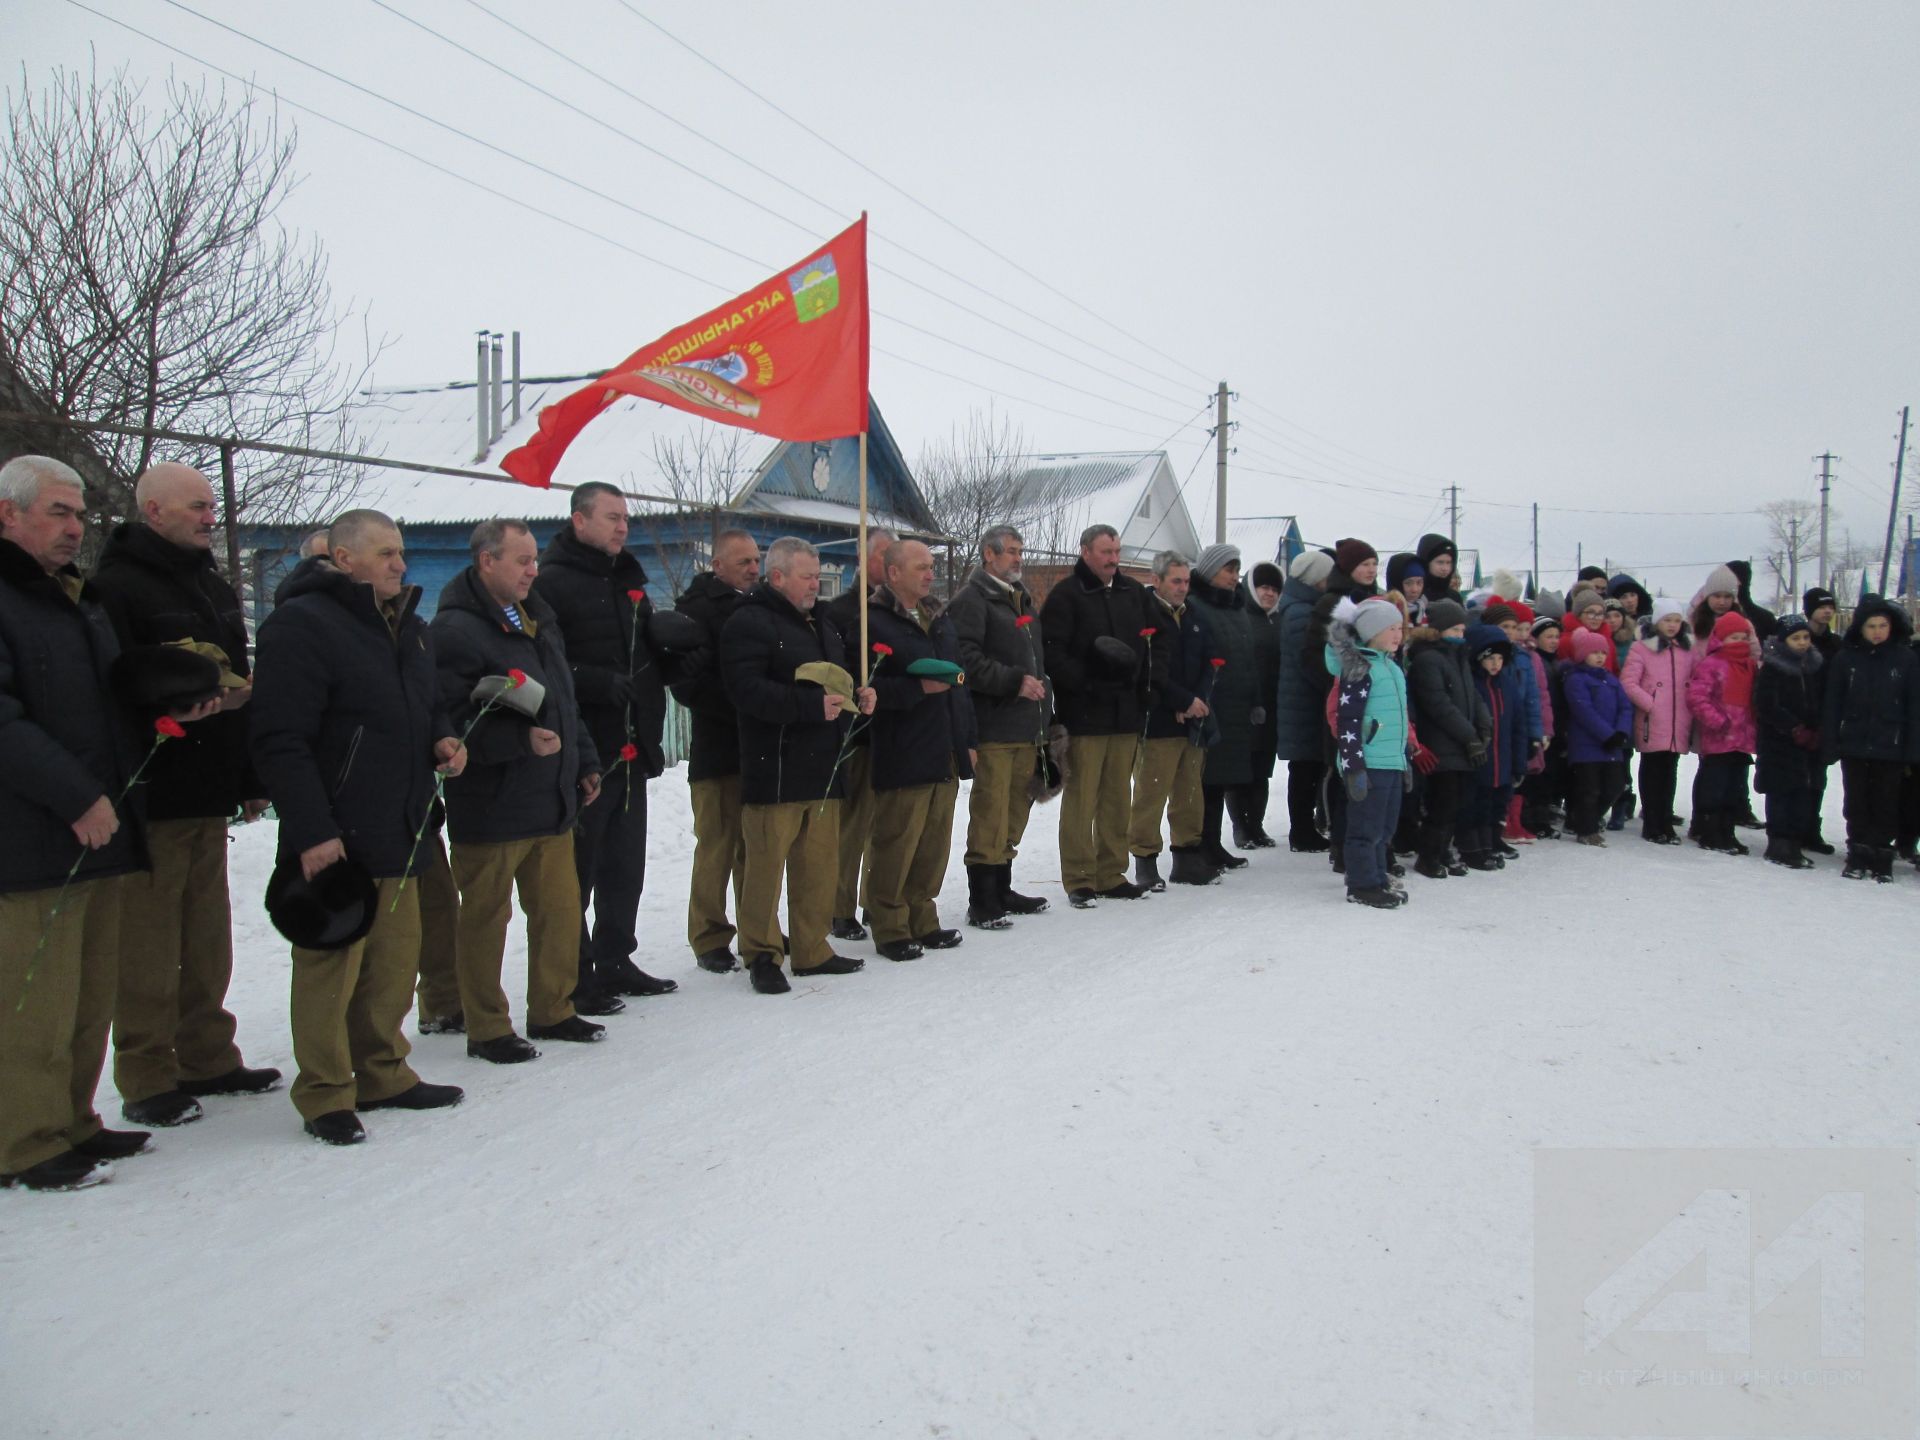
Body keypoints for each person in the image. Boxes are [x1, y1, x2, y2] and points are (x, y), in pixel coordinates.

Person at [251, 509, 467, 1145]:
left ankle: (382, 1072)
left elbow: (430, 706)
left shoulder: (409, 630)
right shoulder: (301, 626)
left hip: (401, 825)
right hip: (336, 833)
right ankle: (324, 1092)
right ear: (343, 559)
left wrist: (444, 739)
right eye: (386, 554)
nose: (401, 564)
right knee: (331, 964)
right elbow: (279, 739)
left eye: (401, 553)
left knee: (392, 966)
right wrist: (314, 831)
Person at [89, 461, 280, 1129]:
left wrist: (249, 775)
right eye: (196, 507)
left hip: (209, 786)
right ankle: (145, 1072)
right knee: (148, 942)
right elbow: (112, 689)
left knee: (207, 936)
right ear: (154, 512)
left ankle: (207, 1055)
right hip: (153, 791)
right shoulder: (117, 588)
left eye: (209, 506)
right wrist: (162, 717)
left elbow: (239, 678)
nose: (209, 517)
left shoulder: (211, 585)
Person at [0, 458, 161, 1189]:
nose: (75, 528)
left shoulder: (76, 599)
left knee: (87, 993)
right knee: (35, 1000)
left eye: (80, 515)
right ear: (9, 513)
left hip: (100, 831)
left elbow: (105, 701)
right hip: (32, 839)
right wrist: (75, 796)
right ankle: (24, 1142)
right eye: (60, 513)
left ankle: (73, 1120)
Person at [434, 519, 605, 1063]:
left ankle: (553, 1008)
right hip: (492, 803)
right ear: (487, 561)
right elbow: (450, 721)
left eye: (534, 560)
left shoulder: (538, 621)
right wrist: (518, 739)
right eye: (522, 560)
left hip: (550, 797)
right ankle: (486, 1026)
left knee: (559, 910)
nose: (534, 570)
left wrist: (585, 760)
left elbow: (563, 700)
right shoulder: (456, 631)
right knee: (486, 919)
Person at [530, 481, 680, 1008]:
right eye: (612, 517)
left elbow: (643, 664)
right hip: (584, 750)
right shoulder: (551, 582)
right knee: (580, 869)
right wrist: (590, 679)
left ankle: (617, 957)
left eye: (625, 519)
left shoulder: (626, 581)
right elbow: (540, 665)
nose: (622, 527)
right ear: (579, 521)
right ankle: (576, 972)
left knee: (624, 865)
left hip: (631, 745)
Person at [720, 537, 875, 993]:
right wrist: (809, 706)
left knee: (818, 866)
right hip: (777, 767)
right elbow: (745, 691)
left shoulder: (822, 622)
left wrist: (859, 694)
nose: (816, 584)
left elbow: (839, 674)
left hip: (824, 766)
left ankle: (812, 947)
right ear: (778, 577)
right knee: (765, 868)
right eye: (808, 577)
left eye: (818, 575)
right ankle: (762, 953)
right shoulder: (748, 623)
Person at [1039, 524, 1167, 908]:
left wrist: (1149, 683)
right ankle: (1079, 878)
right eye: (1105, 552)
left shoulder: (1133, 594)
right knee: (1082, 799)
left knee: (1116, 797)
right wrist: (1087, 683)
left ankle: (1111, 873)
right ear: (1085, 552)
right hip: (1085, 714)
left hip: (1126, 712)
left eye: (1116, 551)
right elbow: (1053, 653)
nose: (1113, 559)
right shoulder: (1066, 596)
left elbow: (1157, 641)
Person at [862, 540, 975, 960]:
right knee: (897, 841)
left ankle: (922, 917)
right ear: (893, 573)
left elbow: (961, 685)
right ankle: (889, 925)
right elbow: (866, 688)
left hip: (944, 743)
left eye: (931, 566)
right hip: (903, 745)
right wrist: (915, 688)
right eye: (920, 567)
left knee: (933, 843)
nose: (930, 574)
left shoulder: (939, 617)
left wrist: (968, 740)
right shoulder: (874, 622)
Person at [947, 524, 1051, 925]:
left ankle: (1003, 887)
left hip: (1027, 725)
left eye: (1020, 551)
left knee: (1014, 813)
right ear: (988, 555)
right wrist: (1012, 681)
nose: (1018, 558)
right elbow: (965, 660)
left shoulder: (1019, 598)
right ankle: (982, 899)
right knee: (990, 814)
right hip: (993, 726)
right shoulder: (972, 600)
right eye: (1010, 551)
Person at [670, 529, 761, 973]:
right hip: (717, 749)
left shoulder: (761, 606)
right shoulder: (695, 611)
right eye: (743, 561)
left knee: (755, 847)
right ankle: (708, 935)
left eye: (757, 560)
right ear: (717, 565)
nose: (753, 568)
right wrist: (745, 701)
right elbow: (687, 684)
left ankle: (755, 928)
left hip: (759, 749)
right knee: (717, 847)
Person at [821, 527, 893, 940]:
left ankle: (875, 898)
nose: (889, 562)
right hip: (859, 732)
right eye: (883, 555)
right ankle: (839, 905)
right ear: (864, 560)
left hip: (897, 733)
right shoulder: (844, 611)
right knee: (853, 825)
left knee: (887, 824)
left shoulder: (903, 610)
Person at [1127, 551, 1213, 890]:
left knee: (1190, 792)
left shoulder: (1194, 615)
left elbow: (1212, 660)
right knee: (1151, 792)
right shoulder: (1143, 614)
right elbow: (1147, 669)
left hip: (1193, 719)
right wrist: (1181, 701)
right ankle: (1145, 859)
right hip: (1157, 720)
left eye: (1186, 581)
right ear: (1157, 580)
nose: (1182, 588)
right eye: (1175, 581)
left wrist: (1198, 700)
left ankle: (1187, 856)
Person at [1821, 596, 1920, 881]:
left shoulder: (1905, 658)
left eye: (1882, 625)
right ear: (1860, 628)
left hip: (1891, 744)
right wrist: (1830, 742)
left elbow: (1914, 706)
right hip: (1854, 741)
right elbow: (1833, 704)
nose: (1877, 631)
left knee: (1886, 802)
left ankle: (1882, 856)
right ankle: (1858, 853)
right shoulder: (1846, 658)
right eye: (1871, 626)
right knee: (1856, 801)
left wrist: (1912, 748)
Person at [1325, 596, 1411, 909]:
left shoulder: (1392, 668)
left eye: (1400, 628)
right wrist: (1354, 766)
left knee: (1384, 827)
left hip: (1391, 762)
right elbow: (1348, 720)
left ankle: (1377, 877)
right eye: (1391, 628)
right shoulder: (1361, 670)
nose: (1398, 635)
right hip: (1367, 763)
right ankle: (1361, 884)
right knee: (1365, 827)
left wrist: (1404, 758)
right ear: (1372, 631)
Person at [1405, 599, 1488, 878]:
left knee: (1457, 803)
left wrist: (1483, 726)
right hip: (1442, 744)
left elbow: (1472, 695)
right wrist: (1469, 735)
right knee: (1442, 804)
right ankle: (1429, 855)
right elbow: (1439, 705)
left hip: (1462, 743)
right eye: (1454, 629)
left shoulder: (1458, 657)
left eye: (1462, 629)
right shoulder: (1428, 659)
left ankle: (1443, 851)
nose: (1460, 635)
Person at [1190, 544, 1259, 873]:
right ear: (1209, 571)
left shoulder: (1236, 607)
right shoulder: (1195, 605)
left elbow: (1247, 657)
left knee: (1219, 781)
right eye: (1228, 569)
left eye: (1236, 569)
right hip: (1209, 703)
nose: (1234, 576)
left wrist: (1255, 698)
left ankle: (1213, 843)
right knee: (1204, 780)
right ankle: (1198, 844)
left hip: (1235, 705)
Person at [1619, 598, 1695, 845]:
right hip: (1653, 721)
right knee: (1653, 770)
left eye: (1676, 620)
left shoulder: (1687, 649)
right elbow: (1629, 682)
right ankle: (1652, 823)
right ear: (1656, 621)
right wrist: (1650, 703)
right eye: (1667, 620)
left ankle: (1665, 820)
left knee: (1670, 771)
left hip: (1678, 720)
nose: (1672, 625)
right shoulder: (1642, 648)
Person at [1752, 615, 1826, 870]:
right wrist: (1793, 727)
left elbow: (1817, 701)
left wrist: (1817, 728)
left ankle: (1794, 841)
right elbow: (1766, 705)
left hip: (1806, 744)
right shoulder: (1773, 668)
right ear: (1784, 641)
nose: (1802, 642)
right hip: (1778, 743)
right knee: (1781, 793)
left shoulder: (1813, 666)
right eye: (1796, 638)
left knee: (1801, 793)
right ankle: (1778, 843)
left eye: (1805, 637)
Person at [1273, 549, 1335, 851]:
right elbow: (1308, 661)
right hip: (1303, 702)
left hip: (1304, 700)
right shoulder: (1301, 613)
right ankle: (1301, 829)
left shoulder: (1301, 607)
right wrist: (1331, 684)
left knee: (1308, 767)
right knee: (1305, 769)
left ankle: (1305, 826)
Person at [1686, 611, 1760, 857]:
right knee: (1714, 789)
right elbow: (1697, 697)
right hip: (1719, 739)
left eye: (1742, 637)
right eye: (1733, 637)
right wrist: (1718, 721)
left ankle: (1727, 832)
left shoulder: (1750, 665)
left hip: (1743, 739)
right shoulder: (1712, 663)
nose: (1738, 642)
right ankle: (1710, 832)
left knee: (1733, 790)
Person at [1557, 628, 1633, 845]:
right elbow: (1583, 711)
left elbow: (1625, 707)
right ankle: (1586, 828)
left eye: (1603, 652)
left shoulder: (1610, 679)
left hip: (1612, 744)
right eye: (1594, 652)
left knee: (1615, 785)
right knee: (1589, 789)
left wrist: (1621, 731)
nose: (1600, 656)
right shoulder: (1576, 679)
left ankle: (1586, 819)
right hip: (1587, 745)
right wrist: (1606, 734)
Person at [1458, 625, 1523, 870]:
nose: (1496, 664)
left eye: (1500, 658)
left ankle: (1492, 840)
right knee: (1477, 803)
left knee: (1498, 802)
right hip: (1481, 756)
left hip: (1503, 757)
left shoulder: (1505, 683)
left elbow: (1518, 722)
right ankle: (1475, 846)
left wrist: (1519, 759)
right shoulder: (1473, 683)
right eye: (1490, 658)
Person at [1231, 559, 1283, 848]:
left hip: (1272, 706)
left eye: (1275, 589)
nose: (1269, 594)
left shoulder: (1278, 620)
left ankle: (1256, 825)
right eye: (1264, 587)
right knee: (1241, 770)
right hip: (1244, 706)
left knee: (1263, 770)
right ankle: (1240, 827)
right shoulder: (1241, 616)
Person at [1800, 586, 1842, 852]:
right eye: (1821, 607)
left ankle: (1811, 830)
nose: (1827, 611)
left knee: (1818, 778)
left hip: (1825, 718)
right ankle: (1792, 828)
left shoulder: (1837, 644)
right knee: (1796, 777)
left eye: (1830, 607)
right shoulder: (1798, 638)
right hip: (1799, 718)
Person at [1517, 614, 1566, 839]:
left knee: (1546, 775)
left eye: (1557, 636)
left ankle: (1540, 818)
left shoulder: (1553, 662)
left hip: (1549, 724)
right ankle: (1527, 820)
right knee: (1530, 777)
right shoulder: (1533, 659)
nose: (1554, 641)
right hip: (1533, 724)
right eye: (1549, 636)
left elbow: (1546, 697)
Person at [1413, 534, 1461, 607]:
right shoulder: (1415, 595)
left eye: (1448, 563)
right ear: (1426, 563)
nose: (1445, 568)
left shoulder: (1455, 597)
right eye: (1440, 562)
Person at [1384, 554, 1427, 625]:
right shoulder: (1384, 613)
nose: (1414, 590)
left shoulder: (1426, 610)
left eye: (1419, 583)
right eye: (1408, 583)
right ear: (1396, 584)